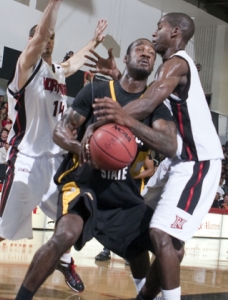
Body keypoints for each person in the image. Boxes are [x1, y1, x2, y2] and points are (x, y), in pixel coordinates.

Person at [0, 0, 108, 296]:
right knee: (3, 229)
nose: (48, 42)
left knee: (70, 218)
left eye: (52, 39)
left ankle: (65, 260)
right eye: (43, 38)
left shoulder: (57, 70)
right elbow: (43, 33)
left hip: (56, 161)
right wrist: (53, 6)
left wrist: (94, 41)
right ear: (33, 41)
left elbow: (75, 62)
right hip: (27, 162)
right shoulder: (25, 68)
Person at [12, 38, 177, 300]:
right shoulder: (95, 91)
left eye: (150, 52)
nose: (146, 54)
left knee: (167, 246)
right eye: (139, 50)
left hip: (124, 195)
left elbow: (170, 145)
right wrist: (80, 148)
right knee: (65, 235)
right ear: (126, 58)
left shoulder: (155, 105)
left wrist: (129, 123)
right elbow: (60, 131)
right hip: (83, 185)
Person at [92, 13, 223, 300]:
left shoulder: (177, 63)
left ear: (175, 32)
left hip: (197, 162)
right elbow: (149, 94)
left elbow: (149, 101)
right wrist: (119, 77)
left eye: (159, 28)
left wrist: (107, 119)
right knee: (140, 221)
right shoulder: (170, 67)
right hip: (176, 162)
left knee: (162, 235)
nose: (154, 33)